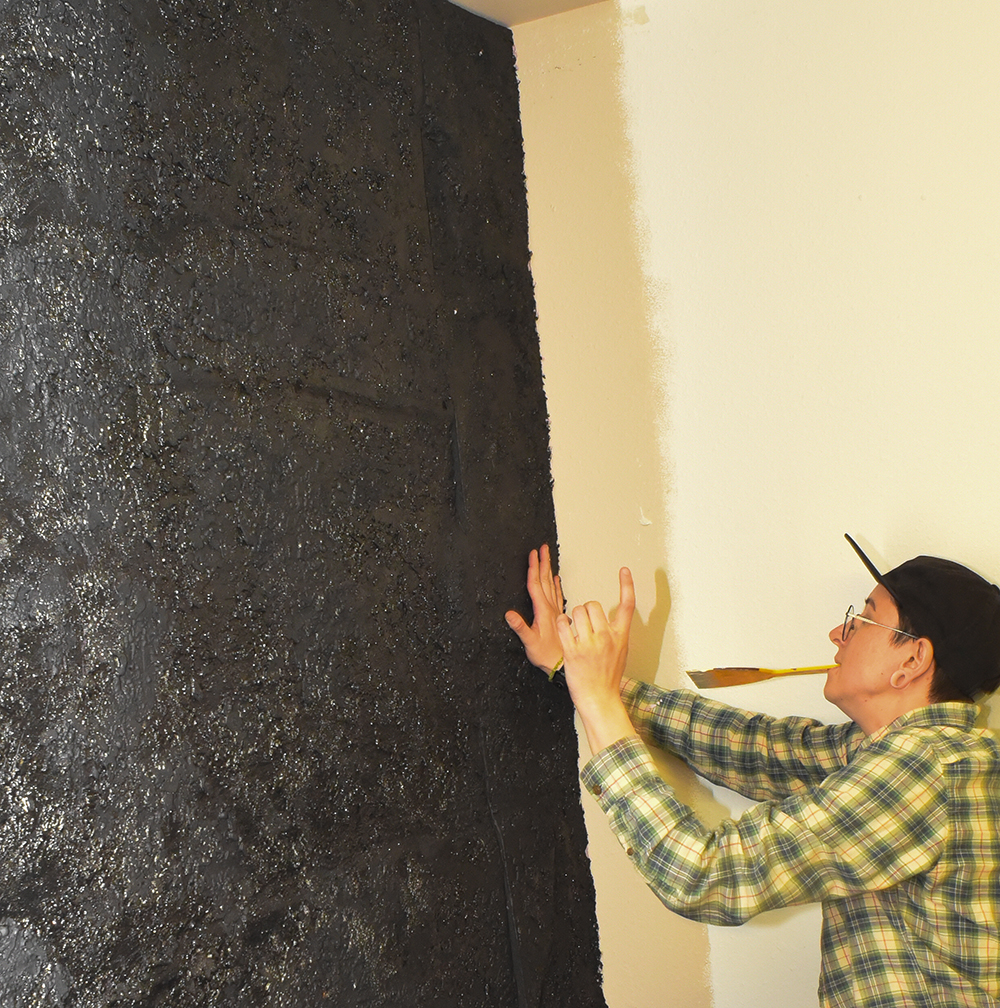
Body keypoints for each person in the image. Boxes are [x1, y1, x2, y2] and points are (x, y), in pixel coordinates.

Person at [505, 537, 1000, 1008]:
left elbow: (706, 875)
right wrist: (573, 667)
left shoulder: (924, 772)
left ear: (912, 659)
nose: (837, 633)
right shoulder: (913, 756)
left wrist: (596, 702)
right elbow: (753, 748)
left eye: (863, 619)